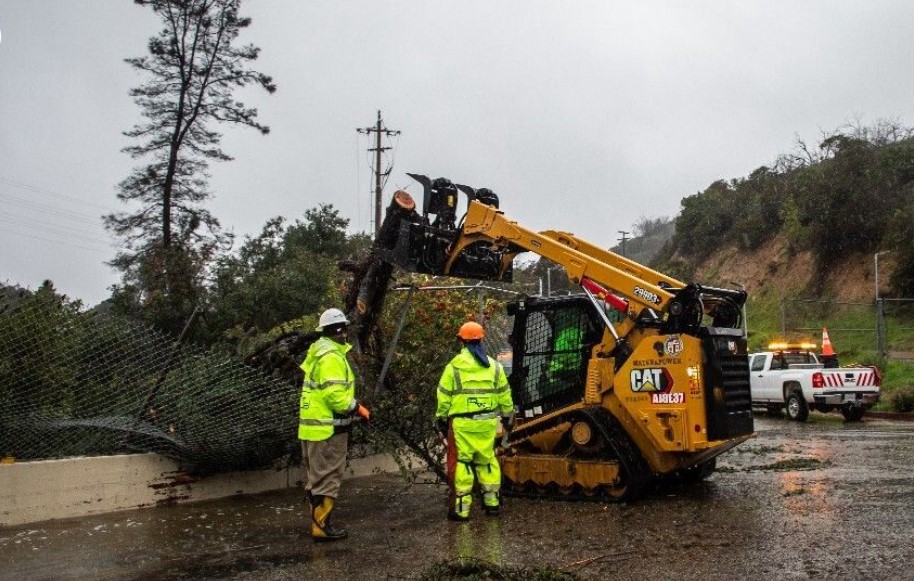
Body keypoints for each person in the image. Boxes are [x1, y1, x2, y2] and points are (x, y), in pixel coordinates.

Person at [299, 307, 370, 542]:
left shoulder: (319, 352)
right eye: (343, 329)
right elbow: (335, 396)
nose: (345, 334)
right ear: (338, 330)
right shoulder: (331, 356)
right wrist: (357, 408)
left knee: (317, 478)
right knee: (328, 478)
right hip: (328, 430)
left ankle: (319, 524)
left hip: (314, 427)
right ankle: (321, 526)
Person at [436, 321, 514, 521]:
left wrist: (441, 419)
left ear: (461, 341)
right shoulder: (495, 367)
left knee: (464, 463)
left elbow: (443, 396)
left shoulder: (454, 367)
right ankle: (492, 505)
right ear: (481, 339)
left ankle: (462, 511)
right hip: (488, 422)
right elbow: (505, 396)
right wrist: (507, 418)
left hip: (463, 424)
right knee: (487, 460)